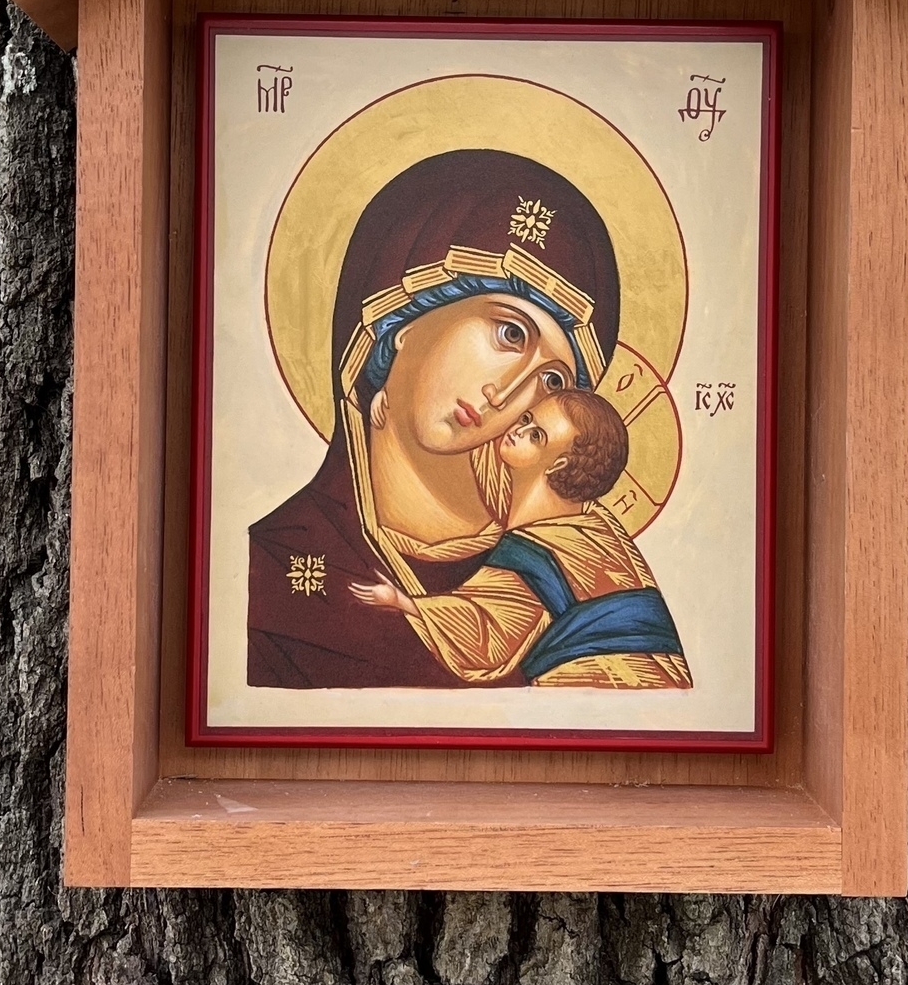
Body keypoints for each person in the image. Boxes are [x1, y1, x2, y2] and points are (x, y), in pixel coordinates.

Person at [246, 150, 621, 688]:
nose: (509, 395)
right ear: (402, 319)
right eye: (510, 333)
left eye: (552, 381)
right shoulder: (274, 574)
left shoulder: (575, 568)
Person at [347, 391, 690, 689]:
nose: (517, 430)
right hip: (662, 685)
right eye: (526, 418)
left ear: (560, 464)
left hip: (596, 685)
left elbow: (485, 631)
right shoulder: (598, 524)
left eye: (536, 435)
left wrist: (406, 603)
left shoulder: (536, 550)